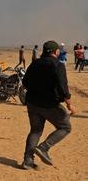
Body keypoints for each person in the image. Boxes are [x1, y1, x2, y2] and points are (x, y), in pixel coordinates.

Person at [21, 40, 75, 170]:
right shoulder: (58, 65)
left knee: (35, 131)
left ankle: (27, 161)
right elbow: (63, 87)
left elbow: (25, 82)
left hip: (32, 103)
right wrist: (69, 104)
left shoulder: (34, 63)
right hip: (50, 105)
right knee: (65, 127)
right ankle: (43, 148)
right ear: (56, 52)